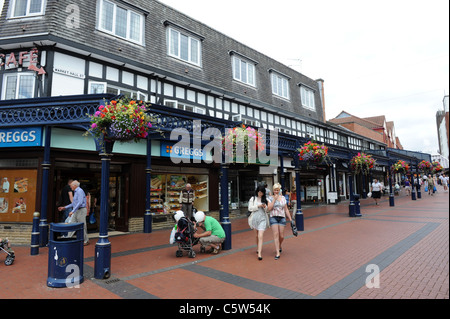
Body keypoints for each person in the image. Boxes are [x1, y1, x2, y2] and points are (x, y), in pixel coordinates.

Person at [58, 180, 89, 245]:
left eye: (71, 185)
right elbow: (74, 203)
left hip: (81, 210)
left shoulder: (79, 191)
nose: (70, 187)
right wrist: (64, 207)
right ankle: (68, 237)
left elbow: (80, 203)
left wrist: (72, 211)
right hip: (77, 210)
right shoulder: (76, 191)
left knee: (82, 225)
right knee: (72, 224)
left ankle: (85, 240)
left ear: (75, 185)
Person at [267, 183, 292, 260]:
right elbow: (269, 208)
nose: (276, 192)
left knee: (281, 236)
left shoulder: (283, 198)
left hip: (282, 217)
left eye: (277, 190)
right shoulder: (270, 198)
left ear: (279, 190)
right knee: (276, 234)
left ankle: (279, 245)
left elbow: (286, 209)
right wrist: (274, 199)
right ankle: (277, 252)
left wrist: (290, 219)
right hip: (273, 217)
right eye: (275, 190)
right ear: (273, 190)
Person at [247, 185, 269, 261]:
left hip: (262, 219)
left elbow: (267, 210)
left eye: (262, 192)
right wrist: (258, 206)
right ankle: (258, 248)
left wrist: (265, 206)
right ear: (257, 191)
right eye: (259, 192)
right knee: (257, 236)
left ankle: (259, 253)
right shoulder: (253, 199)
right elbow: (250, 208)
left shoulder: (265, 199)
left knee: (260, 235)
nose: (260, 194)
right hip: (254, 219)